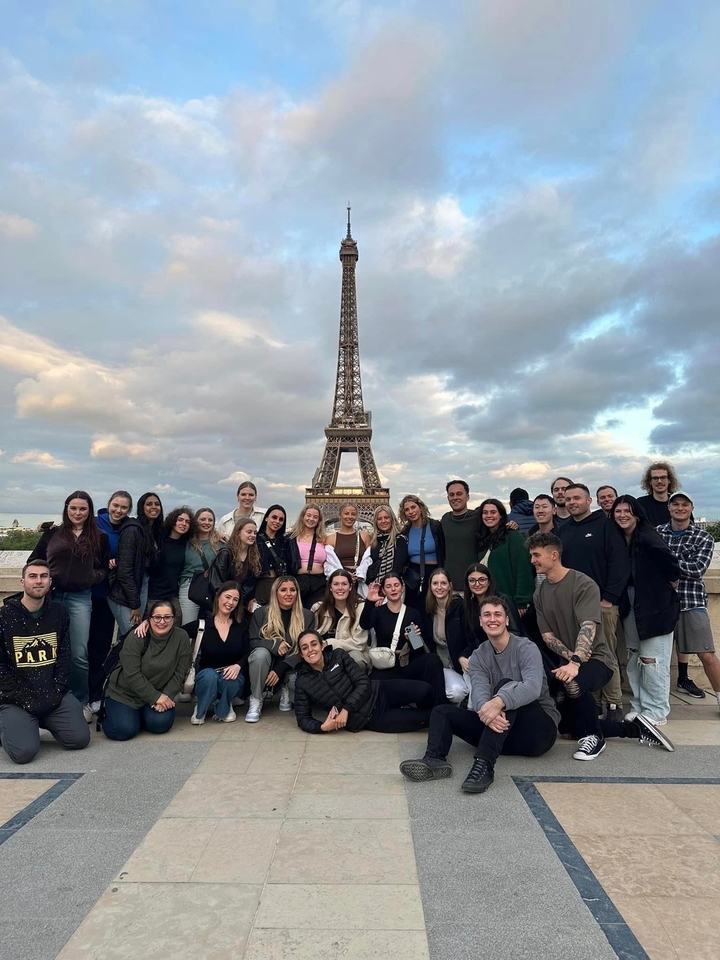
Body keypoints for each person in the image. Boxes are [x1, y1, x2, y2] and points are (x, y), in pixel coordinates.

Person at [399, 596, 559, 793]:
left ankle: (484, 766)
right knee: (441, 711)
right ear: (481, 622)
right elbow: (480, 693)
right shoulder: (479, 656)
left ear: (507, 620)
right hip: (502, 731)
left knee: (505, 687)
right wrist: (488, 709)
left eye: (498, 614)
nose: (493, 619)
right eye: (487, 615)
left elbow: (533, 688)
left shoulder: (526, 648)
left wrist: (499, 702)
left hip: (538, 733)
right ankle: (434, 760)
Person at [528, 532, 616, 760]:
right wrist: (570, 657)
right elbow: (547, 637)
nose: (532, 561)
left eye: (536, 555)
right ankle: (634, 729)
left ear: (554, 555)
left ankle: (594, 739)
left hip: (598, 659)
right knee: (567, 729)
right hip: (568, 662)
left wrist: (576, 661)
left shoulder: (583, 584)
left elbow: (589, 627)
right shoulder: (540, 593)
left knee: (574, 682)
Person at [28, 491, 109, 719]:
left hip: (81, 598)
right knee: (46, 650)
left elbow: (103, 568)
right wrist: (46, 580)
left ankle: (80, 701)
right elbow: (34, 562)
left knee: (79, 654)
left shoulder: (99, 537)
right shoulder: (52, 534)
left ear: (89, 511)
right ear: (66, 509)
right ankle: (48, 699)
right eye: (73, 508)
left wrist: (88, 579)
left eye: (82, 509)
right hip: (51, 597)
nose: (77, 513)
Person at [0, 561, 90, 764]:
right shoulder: (4, 616)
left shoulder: (59, 613)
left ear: (50, 581)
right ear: (22, 581)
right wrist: (22, 698)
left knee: (79, 739)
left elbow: (64, 657)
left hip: (51, 694)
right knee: (24, 753)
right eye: (33, 576)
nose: (38, 581)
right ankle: (8, 724)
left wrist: (56, 691)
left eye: (43, 576)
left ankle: (39, 719)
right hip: (16, 698)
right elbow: (1, 667)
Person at [558, 483, 629, 717]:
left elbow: (619, 564)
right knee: (581, 655)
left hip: (602, 605)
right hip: (572, 607)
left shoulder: (606, 526)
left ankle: (614, 703)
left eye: (577, 498)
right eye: (568, 499)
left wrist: (609, 599)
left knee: (606, 654)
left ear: (589, 501)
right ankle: (592, 701)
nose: (572, 502)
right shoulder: (563, 530)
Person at [612, 496, 680, 725]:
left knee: (653, 660)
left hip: (655, 605)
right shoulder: (620, 539)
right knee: (634, 655)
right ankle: (640, 704)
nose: (622, 515)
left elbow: (672, 566)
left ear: (637, 514)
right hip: (631, 603)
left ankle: (656, 711)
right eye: (618, 511)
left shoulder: (648, 537)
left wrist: (666, 584)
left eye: (627, 511)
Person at [294, 631, 435, 734]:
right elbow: (302, 718)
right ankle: (441, 720)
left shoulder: (338, 656)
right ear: (301, 654)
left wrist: (346, 709)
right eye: (305, 648)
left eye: (314, 644)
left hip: (379, 691)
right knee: (428, 718)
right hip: (369, 718)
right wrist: (321, 727)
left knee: (426, 689)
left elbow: (363, 682)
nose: (310, 650)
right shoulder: (302, 682)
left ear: (323, 645)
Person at [659, 492, 720, 709]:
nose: (680, 508)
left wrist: (668, 566)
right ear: (669, 508)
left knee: (706, 653)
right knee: (657, 656)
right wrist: (676, 566)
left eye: (685, 505)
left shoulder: (703, 537)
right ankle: (656, 702)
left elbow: (697, 570)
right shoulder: (657, 533)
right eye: (675, 504)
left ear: (691, 508)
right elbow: (648, 562)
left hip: (691, 601)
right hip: (661, 603)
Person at [102, 600, 191, 741]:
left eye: (167, 617)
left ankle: (139, 716)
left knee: (160, 725)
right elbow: (132, 675)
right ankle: (116, 714)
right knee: (123, 731)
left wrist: (165, 696)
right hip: (126, 694)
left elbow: (180, 673)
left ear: (174, 619)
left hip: (158, 691)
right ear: (149, 618)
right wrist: (155, 698)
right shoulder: (137, 636)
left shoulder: (181, 637)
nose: (162, 621)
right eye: (157, 617)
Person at [360, 575, 446, 705]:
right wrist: (369, 602)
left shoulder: (413, 613)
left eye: (396, 585)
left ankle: (439, 708)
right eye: (388, 586)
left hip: (407, 662)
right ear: (383, 590)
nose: (393, 589)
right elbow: (365, 625)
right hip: (386, 664)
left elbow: (417, 648)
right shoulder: (378, 612)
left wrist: (412, 639)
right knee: (371, 688)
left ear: (403, 588)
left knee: (432, 660)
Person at [89, 491, 134, 716]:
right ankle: (80, 697)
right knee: (79, 650)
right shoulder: (94, 524)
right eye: (116, 505)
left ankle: (96, 696)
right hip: (86, 592)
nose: (119, 510)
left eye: (124, 507)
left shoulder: (127, 528)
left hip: (109, 596)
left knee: (101, 648)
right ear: (108, 505)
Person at [246, 576, 314, 722]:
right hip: (268, 661)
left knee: (298, 690)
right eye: (283, 590)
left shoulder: (307, 615)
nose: (288, 594)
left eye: (292, 590)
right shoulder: (262, 613)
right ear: (275, 593)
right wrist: (274, 645)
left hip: (293, 665)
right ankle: (256, 698)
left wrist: (281, 668)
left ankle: (285, 687)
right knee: (259, 654)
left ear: (297, 593)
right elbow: (252, 641)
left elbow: (309, 649)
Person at [184, 583, 249, 724]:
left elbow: (247, 652)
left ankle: (225, 705)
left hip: (231, 677)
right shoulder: (203, 625)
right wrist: (147, 623)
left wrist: (238, 665)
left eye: (235, 599)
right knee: (210, 675)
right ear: (218, 597)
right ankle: (201, 705)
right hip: (207, 677)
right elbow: (173, 632)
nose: (230, 602)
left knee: (231, 678)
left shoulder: (241, 625)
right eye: (227, 597)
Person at [447, 563, 523, 674]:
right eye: (472, 580)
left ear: (489, 582)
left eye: (482, 579)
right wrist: (462, 657)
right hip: (483, 657)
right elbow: (472, 639)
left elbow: (516, 632)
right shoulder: (469, 606)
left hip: (509, 656)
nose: (477, 584)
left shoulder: (503, 600)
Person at [107, 491, 161, 639]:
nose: (153, 507)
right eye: (148, 504)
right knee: (134, 637)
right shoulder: (133, 529)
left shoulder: (151, 531)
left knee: (125, 639)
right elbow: (124, 572)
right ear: (140, 507)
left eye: (157, 504)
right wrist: (134, 604)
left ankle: (118, 663)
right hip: (123, 593)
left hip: (140, 588)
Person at [475, 499, 534, 616]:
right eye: (485, 512)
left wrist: (522, 600)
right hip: (487, 601)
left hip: (509, 601)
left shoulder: (513, 536)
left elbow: (523, 568)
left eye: (493, 512)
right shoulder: (482, 539)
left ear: (501, 515)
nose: (489, 516)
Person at [312, 569, 370, 667]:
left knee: (356, 659)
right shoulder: (317, 608)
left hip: (351, 653)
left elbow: (359, 644)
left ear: (350, 587)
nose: (340, 588)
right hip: (324, 654)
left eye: (344, 584)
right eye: (336, 584)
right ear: (330, 587)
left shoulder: (361, 608)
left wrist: (330, 643)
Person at [147, 506, 195, 622]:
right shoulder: (158, 540)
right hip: (154, 595)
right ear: (172, 520)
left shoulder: (186, 544)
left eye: (187, 522)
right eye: (180, 520)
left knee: (176, 625)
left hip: (173, 595)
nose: (184, 523)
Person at [397, 494, 446, 606]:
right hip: (413, 577)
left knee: (434, 610)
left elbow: (444, 550)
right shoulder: (406, 531)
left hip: (434, 573)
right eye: (407, 510)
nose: (411, 511)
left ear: (420, 507)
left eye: (413, 507)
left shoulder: (435, 526)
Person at [178, 507, 221, 624]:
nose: (207, 523)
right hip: (189, 586)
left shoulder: (220, 544)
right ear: (195, 521)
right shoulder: (185, 541)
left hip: (211, 588)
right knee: (188, 625)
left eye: (210, 520)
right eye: (203, 519)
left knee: (211, 627)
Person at [209, 517, 261, 614]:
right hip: (221, 604)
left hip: (240, 605)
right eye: (249, 532)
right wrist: (229, 600)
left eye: (255, 533)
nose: (253, 535)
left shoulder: (254, 556)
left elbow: (249, 585)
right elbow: (217, 583)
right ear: (238, 533)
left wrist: (240, 601)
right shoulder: (226, 553)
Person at [287, 503, 329, 607]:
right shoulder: (290, 538)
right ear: (303, 516)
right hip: (296, 580)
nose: (311, 519)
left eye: (315, 517)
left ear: (319, 520)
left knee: (316, 613)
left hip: (319, 582)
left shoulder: (323, 539)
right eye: (308, 515)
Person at [441, 480, 480, 590]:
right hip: (449, 585)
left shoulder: (478, 518)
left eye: (459, 494)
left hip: (474, 584)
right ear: (448, 498)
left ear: (467, 497)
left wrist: (511, 524)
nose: (455, 497)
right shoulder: (445, 520)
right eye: (451, 494)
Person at [254, 505, 295, 606]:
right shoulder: (255, 540)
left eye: (281, 519)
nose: (277, 521)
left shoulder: (285, 542)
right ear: (266, 518)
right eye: (274, 517)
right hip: (261, 586)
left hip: (280, 586)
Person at [356, 505, 403, 591]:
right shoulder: (374, 541)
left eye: (386, 518)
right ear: (376, 522)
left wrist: (384, 589)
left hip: (392, 588)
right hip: (373, 588)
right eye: (379, 519)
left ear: (392, 519)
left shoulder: (400, 540)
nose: (383, 521)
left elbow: (398, 567)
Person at [326, 503, 370, 580]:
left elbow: (369, 559)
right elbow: (329, 563)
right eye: (346, 513)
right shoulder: (331, 539)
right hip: (340, 578)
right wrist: (344, 574)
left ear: (356, 517)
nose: (350, 517)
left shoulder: (365, 536)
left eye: (353, 514)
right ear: (340, 515)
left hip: (360, 578)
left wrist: (360, 574)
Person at [637, 461, 680, 527]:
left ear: (669, 480)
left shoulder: (679, 504)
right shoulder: (640, 504)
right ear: (650, 481)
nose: (659, 481)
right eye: (655, 478)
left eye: (663, 477)